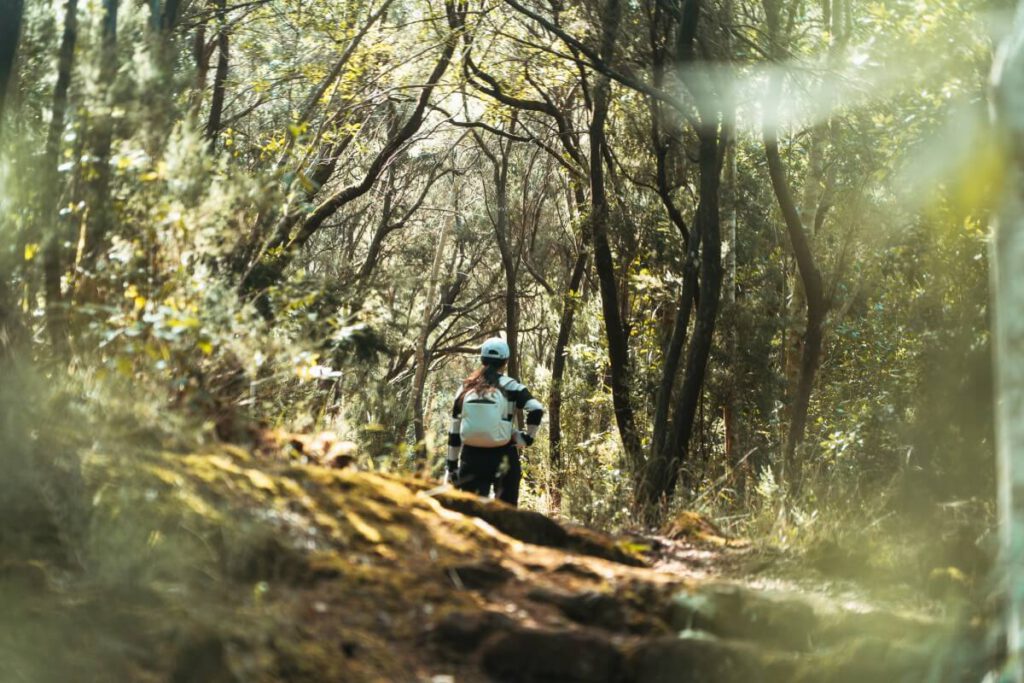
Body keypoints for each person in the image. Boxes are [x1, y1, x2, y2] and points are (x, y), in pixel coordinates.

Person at [445, 337, 544, 507]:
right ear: (505, 361)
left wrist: (452, 466)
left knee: (472, 512)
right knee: (507, 512)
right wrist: (527, 438)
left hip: (471, 457)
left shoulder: (466, 387)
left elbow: (454, 430)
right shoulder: (512, 386)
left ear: (482, 360)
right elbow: (536, 408)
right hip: (504, 455)